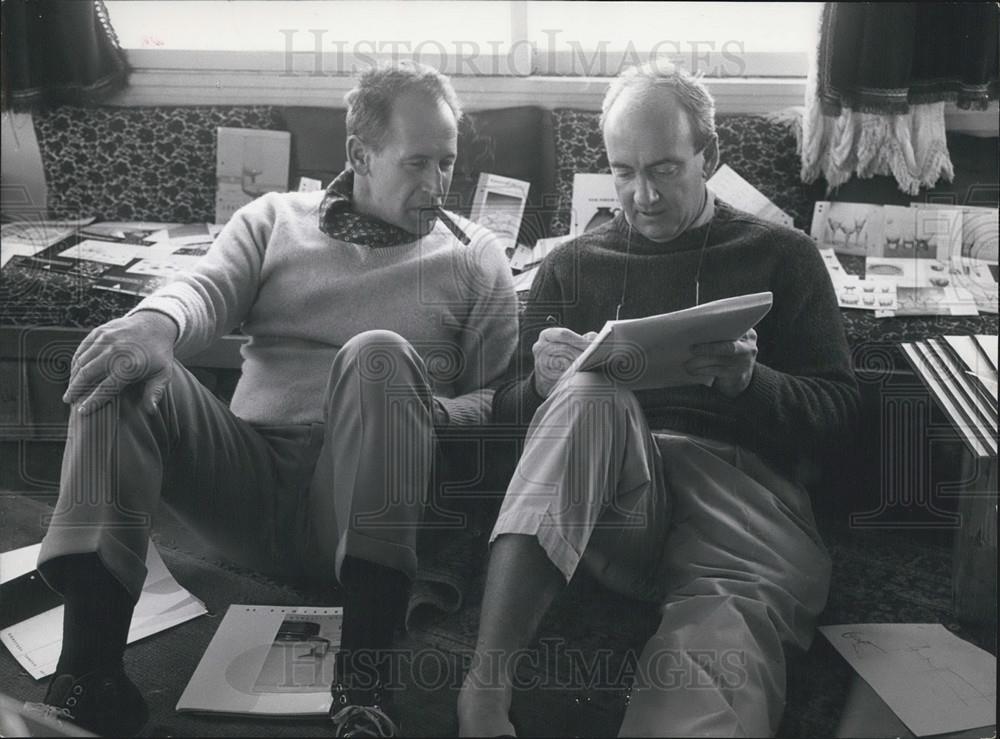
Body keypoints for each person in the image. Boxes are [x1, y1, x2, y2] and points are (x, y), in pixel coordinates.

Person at [27, 61, 518, 737]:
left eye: (448, 163)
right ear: (360, 155)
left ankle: (365, 687)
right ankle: (88, 676)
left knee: (379, 355)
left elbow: (500, 403)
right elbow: (203, 290)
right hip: (249, 479)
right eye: (418, 163)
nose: (437, 185)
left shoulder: (477, 258)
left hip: (370, 496)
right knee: (126, 364)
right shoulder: (275, 219)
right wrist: (152, 325)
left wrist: (419, 416)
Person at [457, 61, 860, 737]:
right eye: (624, 171)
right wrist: (538, 387)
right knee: (586, 392)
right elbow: (508, 435)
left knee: (707, 685)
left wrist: (749, 383)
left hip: (740, 508)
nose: (642, 194)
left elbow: (843, 420)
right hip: (613, 504)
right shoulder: (570, 266)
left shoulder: (783, 256)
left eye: (665, 168)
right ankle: (483, 691)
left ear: (710, 156)